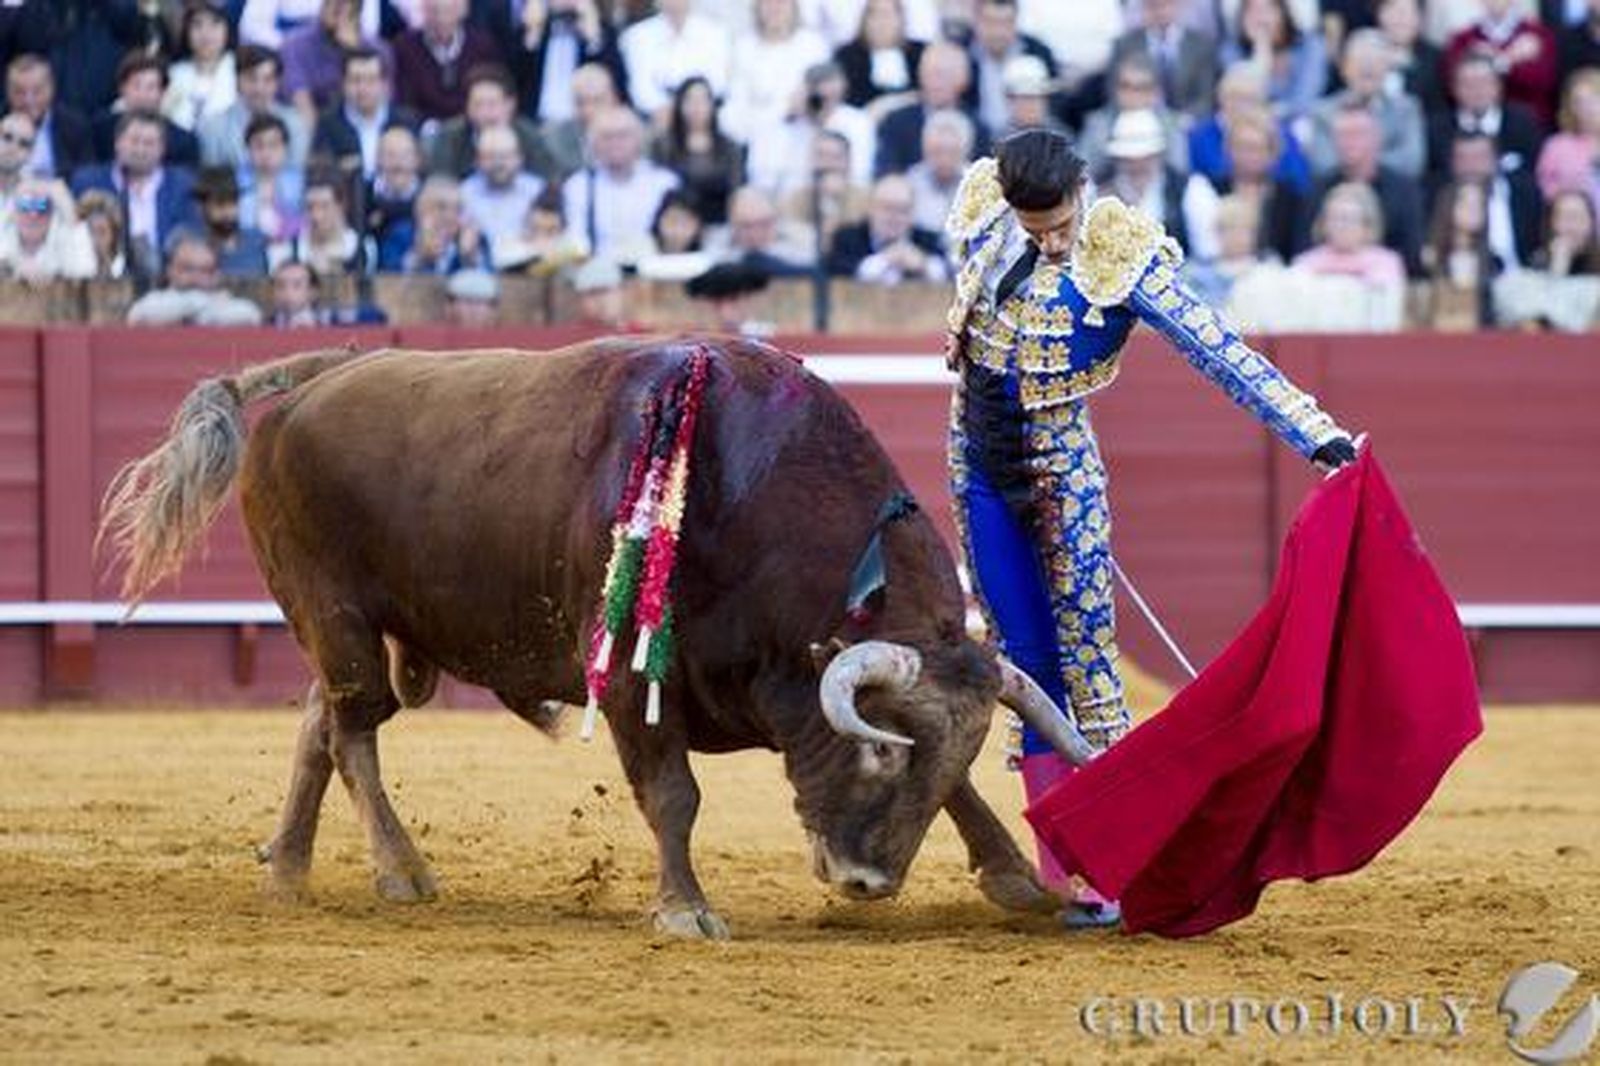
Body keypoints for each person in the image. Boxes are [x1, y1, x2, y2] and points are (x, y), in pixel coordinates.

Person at [942, 129, 1356, 925]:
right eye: (1036, 231)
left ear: (1083, 190)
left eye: (1060, 224)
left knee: (1090, 670)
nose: (1052, 242)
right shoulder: (989, 214)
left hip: (1061, 478)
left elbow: (1219, 351)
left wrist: (1317, 435)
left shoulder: (1121, 252)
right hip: (977, 471)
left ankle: (1110, 868)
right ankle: (1060, 871)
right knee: (1024, 669)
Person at [125, 228, 265, 325]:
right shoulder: (154, 300)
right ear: (170, 270)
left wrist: (193, 310)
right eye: (187, 269)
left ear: (217, 275)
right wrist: (196, 305)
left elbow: (251, 315)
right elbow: (138, 315)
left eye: (205, 270)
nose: (195, 277)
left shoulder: (229, 304)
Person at [826, 172, 947, 281]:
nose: (894, 217)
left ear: (912, 214)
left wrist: (923, 265)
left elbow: (948, 273)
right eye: (887, 208)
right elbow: (840, 271)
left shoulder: (928, 239)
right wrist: (885, 260)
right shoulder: (847, 237)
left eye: (902, 210)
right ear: (871, 208)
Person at [162, 0, 238, 134]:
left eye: (215, 24)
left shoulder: (240, 70)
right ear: (186, 32)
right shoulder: (174, 74)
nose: (206, 33)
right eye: (197, 25)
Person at [0, 177, 96, 281]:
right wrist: (14, 267)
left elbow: (86, 270)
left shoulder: (66, 235)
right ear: (14, 212)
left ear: (52, 214)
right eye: (26, 205)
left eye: (42, 205)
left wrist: (70, 214)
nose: (33, 214)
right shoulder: (5, 233)